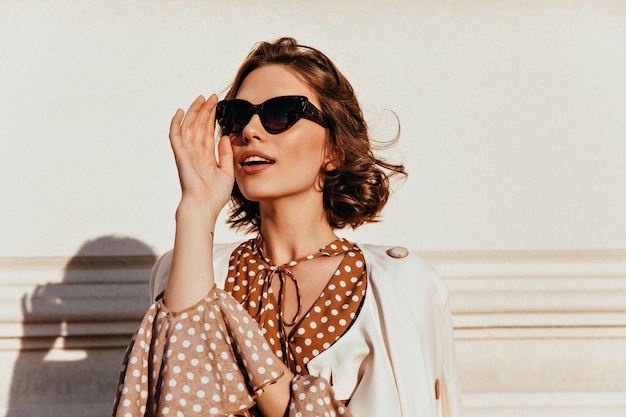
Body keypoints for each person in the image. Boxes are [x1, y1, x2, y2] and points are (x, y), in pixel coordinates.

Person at [113, 37, 463, 417]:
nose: (250, 130)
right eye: (236, 115)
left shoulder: (397, 285)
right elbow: (176, 398)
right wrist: (196, 209)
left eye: (280, 113)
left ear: (335, 149)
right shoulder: (193, 266)